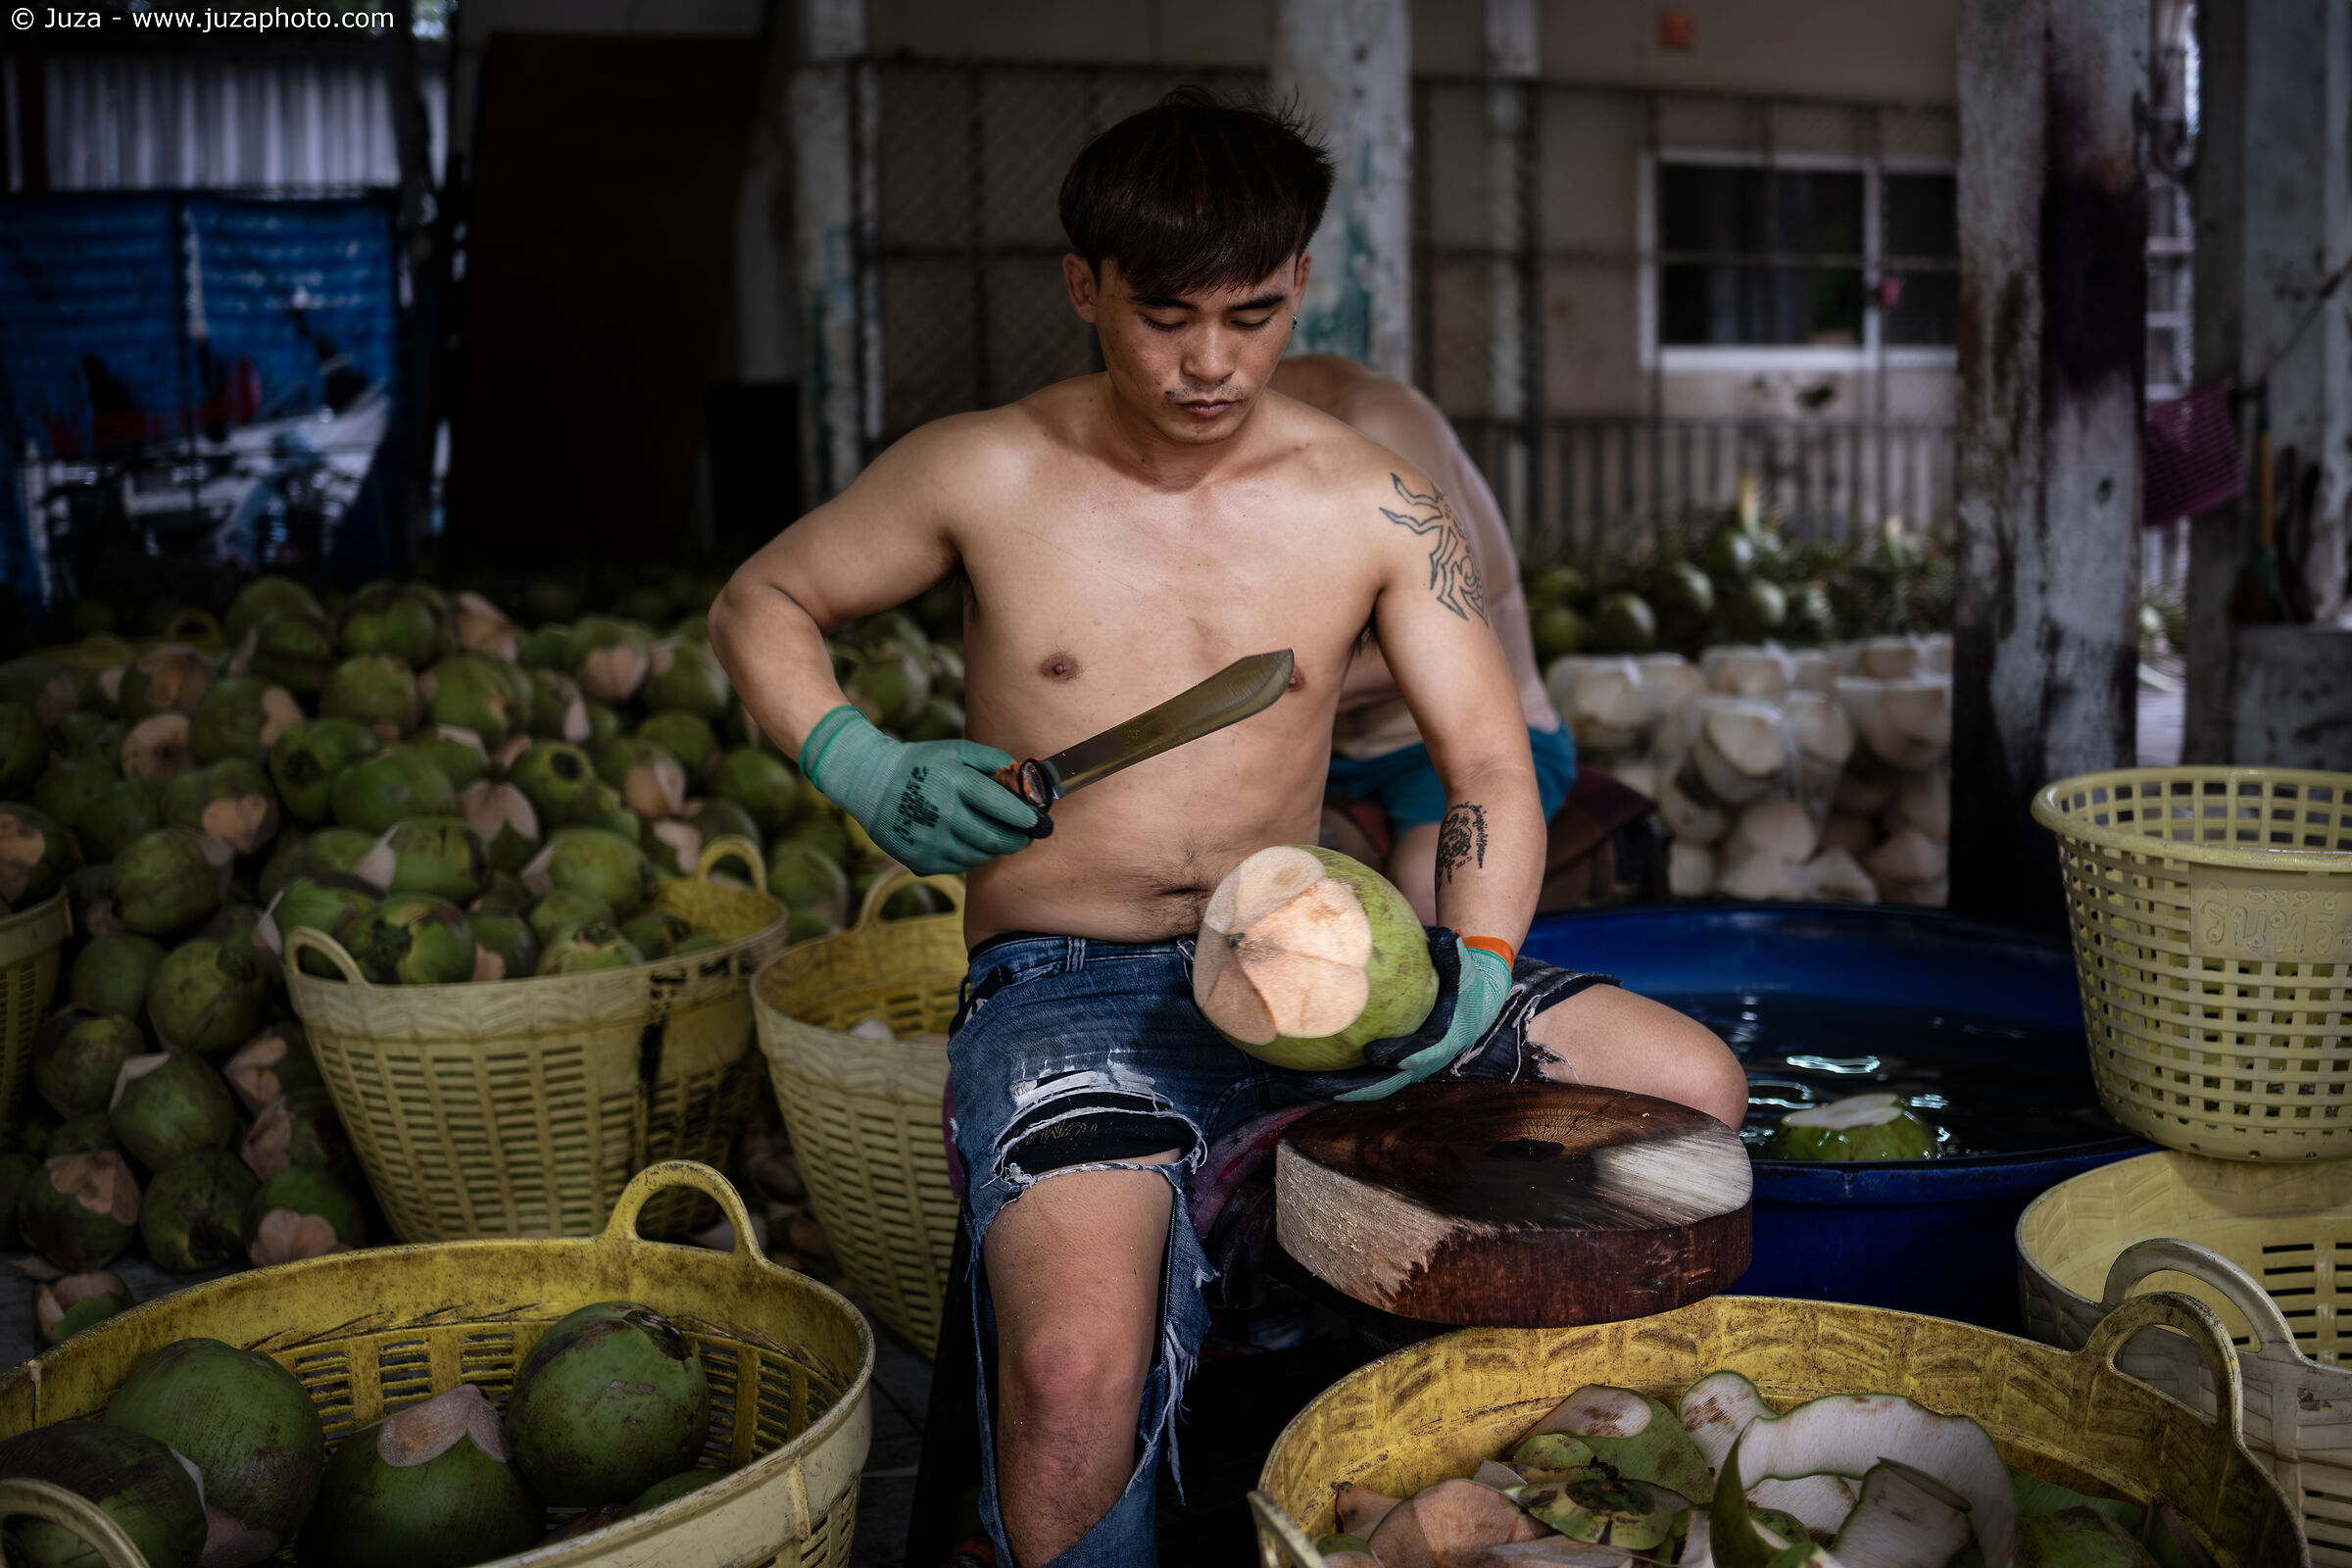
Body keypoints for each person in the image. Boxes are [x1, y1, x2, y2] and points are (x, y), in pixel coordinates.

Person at [711, 90, 1747, 1568]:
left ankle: (1483, 1477)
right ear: (1085, 289)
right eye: (1167, 318)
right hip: (1071, 990)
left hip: (1327, 977)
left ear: (1301, 288)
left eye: (1254, 316)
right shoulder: (983, 471)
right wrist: (858, 759)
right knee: (1072, 1382)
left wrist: (1468, 966)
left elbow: (1486, 768)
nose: (1211, 364)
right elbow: (762, 599)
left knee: (1689, 1087)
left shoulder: (1376, 500)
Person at [1271, 354, 1573, 922]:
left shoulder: (1379, 423)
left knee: (1429, 892)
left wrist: (1250, 689)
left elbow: (1450, 641)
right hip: (1325, 748)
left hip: (1449, 745)